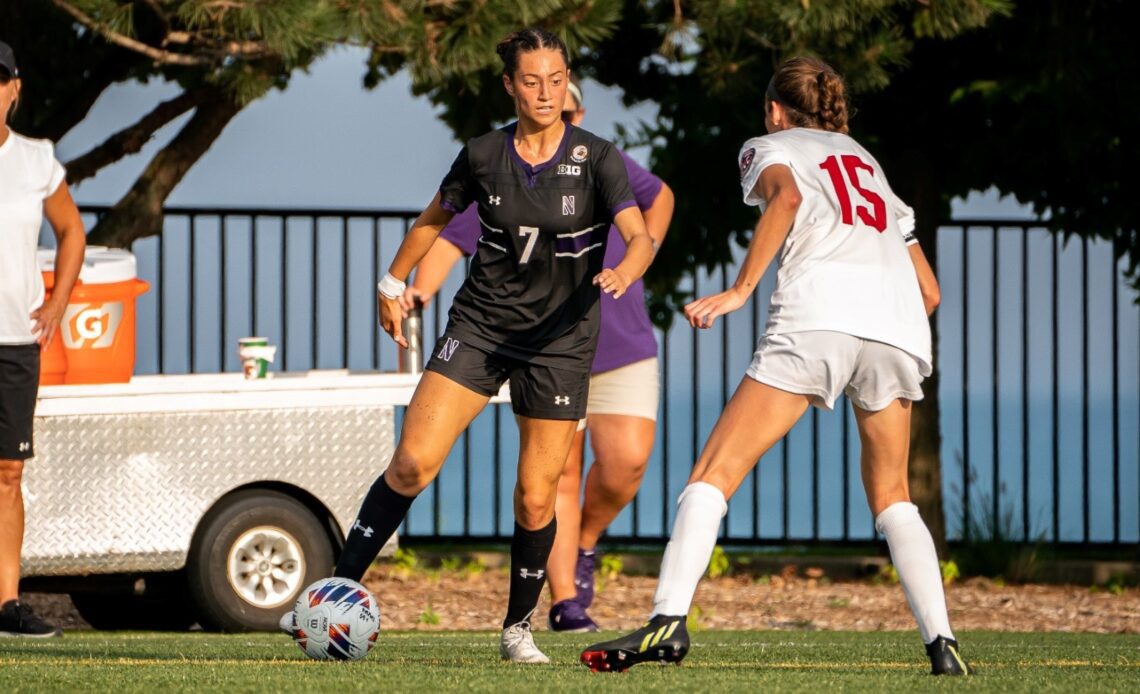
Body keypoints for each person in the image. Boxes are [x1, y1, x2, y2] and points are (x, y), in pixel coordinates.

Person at [581, 56, 968, 676]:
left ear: (775, 109)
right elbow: (930, 290)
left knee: (712, 473)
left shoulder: (768, 145)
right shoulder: (867, 162)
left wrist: (739, 291)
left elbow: (785, 197)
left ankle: (667, 624)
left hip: (819, 318)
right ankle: (943, 644)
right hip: (898, 328)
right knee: (894, 495)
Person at [282, 28, 655, 663]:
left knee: (537, 495)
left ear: (568, 84)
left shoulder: (599, 158)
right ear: (510, 85)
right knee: (411, 464)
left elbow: (639, 234)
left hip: (561, 342)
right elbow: (434, 219)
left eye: (556, 80)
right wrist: (391, 281)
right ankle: (330, 597)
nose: (545, 92)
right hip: (480, 329)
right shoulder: (483, 154)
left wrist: (627, 268)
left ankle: (517, 629)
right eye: (531, 81)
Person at [402, 75, 674, 633]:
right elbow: (451, 237)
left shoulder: (603, 162)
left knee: (626, 465)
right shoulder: (507, 173)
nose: (558, 120)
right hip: (549, 350)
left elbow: (661, 197)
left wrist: (639, 255)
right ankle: (567, 602)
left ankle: (584, 544)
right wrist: (417, 290)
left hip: (621, 341)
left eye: (569, 111)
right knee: (555, 479)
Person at [0, 39, 86, 638]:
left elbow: (71, 231)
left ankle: (6, 604)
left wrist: (56, 303)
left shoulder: (36, 159)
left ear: (13, 89)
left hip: (14, 342)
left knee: (7, 473)